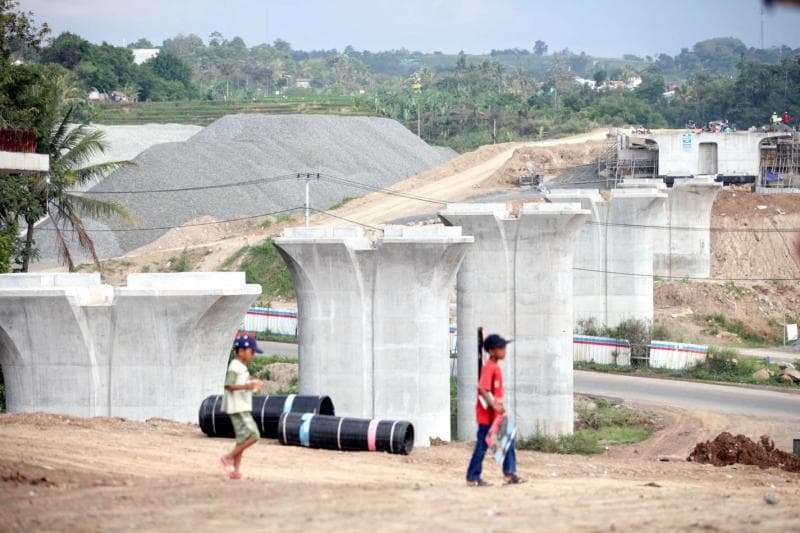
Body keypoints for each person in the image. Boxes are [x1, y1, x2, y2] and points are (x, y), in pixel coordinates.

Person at [466, 334, 525, 486]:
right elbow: (482, 389)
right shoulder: (489, 367)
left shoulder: (495, 367)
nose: (504, 350)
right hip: (487, 416)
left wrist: (498, 406)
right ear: (492, 351)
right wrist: (494, 405)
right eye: (501, 348)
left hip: (496, 415)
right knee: (482, 446)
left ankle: (509, 474)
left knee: (509, 441)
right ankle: (473, 477)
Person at [219, 333, 264, 480]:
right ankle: (228, 457)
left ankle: (236, 472)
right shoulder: (235, 366)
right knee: (254, 435)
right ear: (241, 351)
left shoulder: (241, 367)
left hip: (241, 406)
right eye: (251, 351)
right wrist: (248, 385)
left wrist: (251, 384)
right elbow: (229, 385)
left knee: (242, 439)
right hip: (238, 408)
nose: (253, 355)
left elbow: (239, 383)